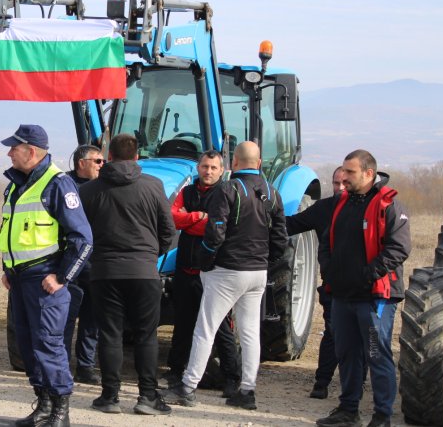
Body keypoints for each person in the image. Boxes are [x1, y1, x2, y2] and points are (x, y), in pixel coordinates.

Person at [162, 141, 287, 411]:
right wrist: (267, 261)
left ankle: (187, 386)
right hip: (257, 272)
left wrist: (206, 261)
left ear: (234, 164)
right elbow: (280, 238)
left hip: (227, 269)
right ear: (260, 162)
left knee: (205, 329)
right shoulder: (272, 192)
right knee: (250, 332)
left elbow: (215, 231)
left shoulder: (229, 189)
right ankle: (247, 390)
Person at [0, 124, 93, 427]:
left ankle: (60, 413)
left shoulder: (58, 184)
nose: (10, 152)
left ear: (32, 152)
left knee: (49, 345)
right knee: (27, 346)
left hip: (45, 281)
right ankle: (43, 404)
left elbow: (83, 239)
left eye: (15, 148)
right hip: (20, 280)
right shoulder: (14, 184)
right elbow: (10, 232)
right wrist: (7, 269)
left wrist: (62, 278)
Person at [79, 133, 176, 416]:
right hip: (143, 271)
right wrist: (149, 256)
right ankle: (147, 396)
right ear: (137, 156)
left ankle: (110, 396)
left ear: (108, 157)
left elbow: (80, 232)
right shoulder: (153, 185)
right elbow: (168, 230)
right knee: (146, 335)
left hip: (104, 272)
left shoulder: (89, 191)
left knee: (110, 334)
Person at [315, 150, 410, 427]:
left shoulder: (389, 205)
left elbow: (399, 248)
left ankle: (382, 416)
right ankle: (348, 410)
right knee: (347, 353)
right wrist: (329, 270)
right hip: (343, 297)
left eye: (350, 171)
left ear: (369, 174)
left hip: (374, 298)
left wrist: (368, 275)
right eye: (343, 171)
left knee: (376, 353)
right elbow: (326, 242)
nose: (343, 176)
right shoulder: (343, 204)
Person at [164, 150, 241, 398]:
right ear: (198, 167)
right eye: (205, 167)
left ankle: (232, 377)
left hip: (214, 269)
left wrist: (191, 221)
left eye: (213, 168)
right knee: (183, 322)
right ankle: (175, 371)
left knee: (219, 327)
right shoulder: (187, 192)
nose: (208, 172)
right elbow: (173, 218)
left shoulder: (226, 193)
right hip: (186, 268)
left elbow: (218, 226)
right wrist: (198, 217)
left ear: (222, 170)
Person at [286, 166, 346, 400]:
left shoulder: (368, 210)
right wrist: (260, 216)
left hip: (362, 288)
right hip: (333, 286)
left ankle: (357, 385)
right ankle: (321, 383)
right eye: (335, 183)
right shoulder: (324, 209)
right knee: (331, 333)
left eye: (344, 182)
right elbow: (291, 224)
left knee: (362, 340)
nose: (340, 188)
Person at [64, 144, 103, 385]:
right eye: (97, 161)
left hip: (95, 263)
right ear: (81, 163)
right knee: (64, 317)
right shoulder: (63, 185)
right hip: (69, 264)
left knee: (92, 318)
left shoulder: (103, 188)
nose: (102, 165)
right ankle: (60, 364)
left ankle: (86, 366)